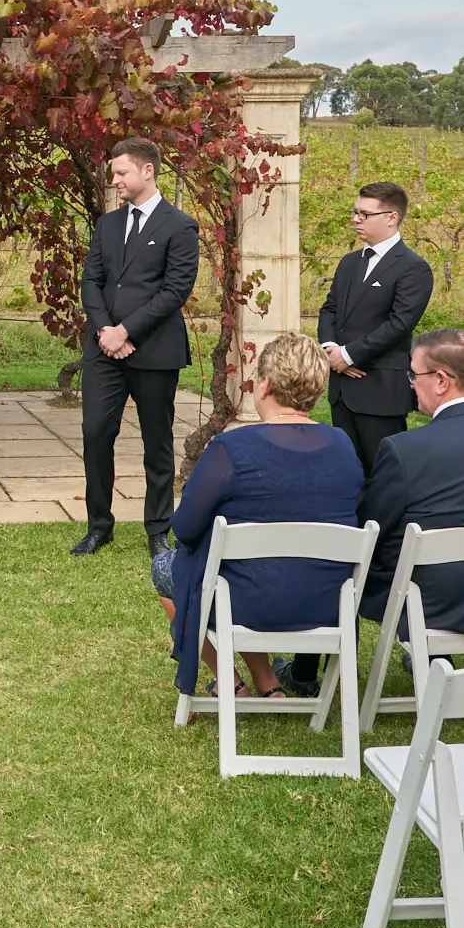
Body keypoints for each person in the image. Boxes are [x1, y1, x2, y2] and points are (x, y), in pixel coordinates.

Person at [164, 333, 364, 698]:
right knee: (245, 569)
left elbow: (185, 528)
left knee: (166, 566)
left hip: (244, 603)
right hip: (327, 603)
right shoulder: (343, 446)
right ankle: (266, 679)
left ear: (265, 385)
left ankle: (228, 679)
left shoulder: (231, 448)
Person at [71, 137, 199, 563]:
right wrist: (107, 330)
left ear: (147, 171)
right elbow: (92, 281)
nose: (115, 179)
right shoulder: (107, 224)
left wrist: (127, 331)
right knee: (95, 434)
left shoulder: (180, 226)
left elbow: (175, 291)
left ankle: (158, 532)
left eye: (122, 172)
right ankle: (98, 527)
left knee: (157, 443)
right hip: (104, 350)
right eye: (114, 172)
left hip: (154, 350)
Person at [317, 180, 433, 474]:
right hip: (342, 389)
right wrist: (332, 350)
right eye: (355, 212)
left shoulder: (412, 267)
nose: (355, 220)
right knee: (348, 472)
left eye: (364, 214)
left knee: (384, 475)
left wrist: (350, 355)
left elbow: (400, 323)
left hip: (380, 389)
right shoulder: (349, 262)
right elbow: (329, 309)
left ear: (391, 218)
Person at [358, 327, 464, 637]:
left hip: (430, 602)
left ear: (442, 380)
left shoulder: (404, 450)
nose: (412, 385)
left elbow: (370, 527)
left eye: (414, 376)